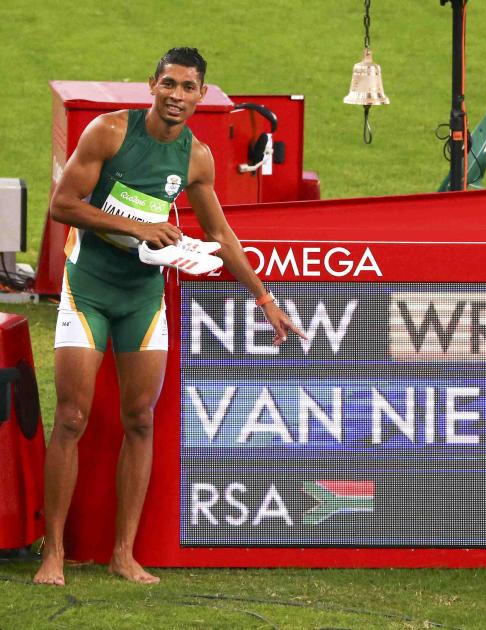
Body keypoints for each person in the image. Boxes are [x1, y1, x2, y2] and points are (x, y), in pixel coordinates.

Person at [33, 47, 305, 585]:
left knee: (140, 419)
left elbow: (221, 235)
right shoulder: (110, 132)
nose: (177, 96)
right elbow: (62, 205)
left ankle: (123, 553)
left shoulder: (196, 158)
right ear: (152, 85)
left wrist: (266, 300)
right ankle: (54, 553)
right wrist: (138, 228)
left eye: (188, 88)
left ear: (202, 96)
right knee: (70, 417)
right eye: (169, 84)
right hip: (87, 288)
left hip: (141, 297)